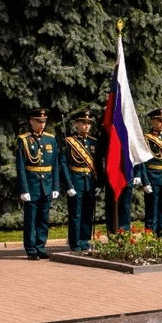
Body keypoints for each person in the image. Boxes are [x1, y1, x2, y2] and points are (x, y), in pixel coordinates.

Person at [16, 106, 58, 259]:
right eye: (38, 121)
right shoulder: (24, 140)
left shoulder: (51, 139)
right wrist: (24, 189)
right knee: (31, 219)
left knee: (43, 219)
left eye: (44, 121)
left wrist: (55, 186)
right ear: (31, 121)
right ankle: (31, 249)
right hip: (32, 185)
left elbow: (55, 164)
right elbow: (20, 166)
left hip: (46, 184)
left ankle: (41, 247)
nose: (41, 124)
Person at [59, 107, 99, 254]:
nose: (86, 126)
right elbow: (64, 164)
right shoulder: (69, 142)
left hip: (90, 182)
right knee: (76, 214)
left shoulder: (94, 142)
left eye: (88, 123)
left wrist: (99, 183)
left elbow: (98, 164)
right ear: (76, 124)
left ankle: (85, 241)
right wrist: (68, 185)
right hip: (76, 181)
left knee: (88, 213)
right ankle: (75, 243)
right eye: (83, 123)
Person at [137, 107, 162, 237]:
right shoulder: (146, 138)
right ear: (152, 121)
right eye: (159, 120)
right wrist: (145, 181)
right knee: (151, 210)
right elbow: (143, 162)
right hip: (153, 177)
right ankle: (150, 236)